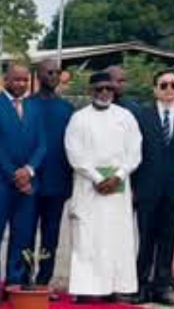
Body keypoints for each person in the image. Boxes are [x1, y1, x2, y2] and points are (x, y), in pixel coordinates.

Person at [64, 71, 142, 301]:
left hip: (118, 187)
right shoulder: (79, 118)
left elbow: (135, 151)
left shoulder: (126, 117)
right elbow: (74, 153)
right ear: (91, 91)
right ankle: (89, 289)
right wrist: (98, 178)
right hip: (89, 187)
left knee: (118, 238)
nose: (105, 93)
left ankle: (119, 287)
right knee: (88, 238)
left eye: (109, 88)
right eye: (99, 89)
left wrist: (118, 176)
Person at [0, 63, 46, 305]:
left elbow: (42, 144)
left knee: (22, 237)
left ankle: (13, 284)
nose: (20, 84)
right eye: (15, 79)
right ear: (5, 79)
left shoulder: (34, 107)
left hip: (27, 185)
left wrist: (28, 171)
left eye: (24, 80)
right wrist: (13, 174)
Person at [30, 59, 74, 296]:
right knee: (25, 235)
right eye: (49, 72)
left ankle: (43, 281)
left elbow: (72, 148)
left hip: (57, 184)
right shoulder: (26, 105)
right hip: (29, 183)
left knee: (50, 237)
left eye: (57, 72)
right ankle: (22, 280)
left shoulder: (67, 109)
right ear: (39, 75)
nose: (54, 76)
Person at [132, 68, 174, 304]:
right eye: (164, 85)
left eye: (173, 85)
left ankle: (163, 285)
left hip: (173, 191)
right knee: (145, 238)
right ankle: (140, 284)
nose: (169, 90)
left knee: (168, 239)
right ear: (155, 89)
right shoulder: (141, 117)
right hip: (147, 189)